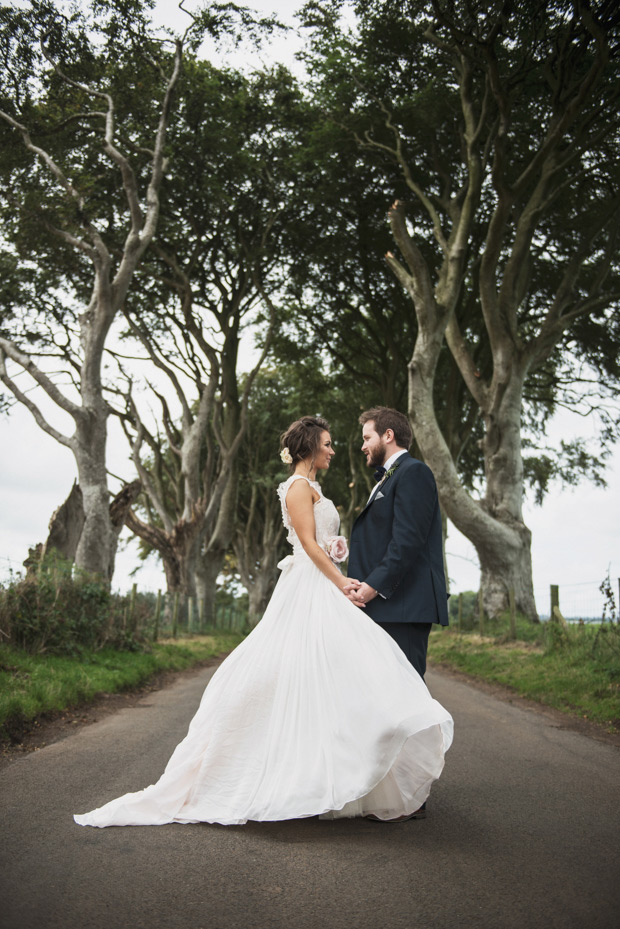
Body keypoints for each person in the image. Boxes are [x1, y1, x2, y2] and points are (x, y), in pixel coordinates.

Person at [74, 416, 452, 828]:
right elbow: (307, 544)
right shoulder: (297, 487)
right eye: (327, 443)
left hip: (345, 592)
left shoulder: (386, 477)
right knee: (317, 678)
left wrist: (338, 550)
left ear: (388, 436)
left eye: (359, 438)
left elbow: (368, 540)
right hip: (311, 590)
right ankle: (329, 778)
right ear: (309, 447)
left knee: (347, 681)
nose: (336, 449)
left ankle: (381, 782)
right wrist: (342, 577)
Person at [345, 407, 449, 680]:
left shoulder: (414, 472)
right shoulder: (389, 477)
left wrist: (372, 587)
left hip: (403, 607)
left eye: (367, 438)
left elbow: (407, 541)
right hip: (388, 607)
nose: (363, 445)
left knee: (406, 696)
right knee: (386, 698)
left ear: (388, 435)